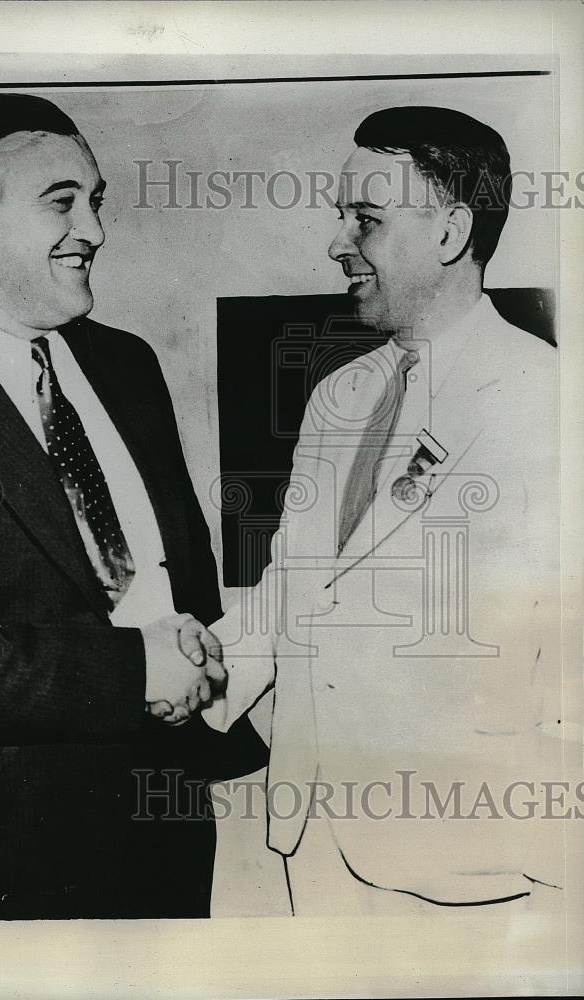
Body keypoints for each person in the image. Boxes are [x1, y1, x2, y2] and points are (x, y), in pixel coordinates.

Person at [0, 93, 267, 920]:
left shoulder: (127, 365)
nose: (93, 229)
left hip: (162, 825)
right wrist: (135, 673)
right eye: (61, 202)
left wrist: (197, 675)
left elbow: (180, 577)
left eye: (94, 202)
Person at [205, 106, 574, 925]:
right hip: (313, 840)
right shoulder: (340, 394)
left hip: (478, 872)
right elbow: (296, 585)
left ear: (449, 231)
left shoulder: (549, 397)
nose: (338, 242)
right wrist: (170, 672)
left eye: (364, 219)